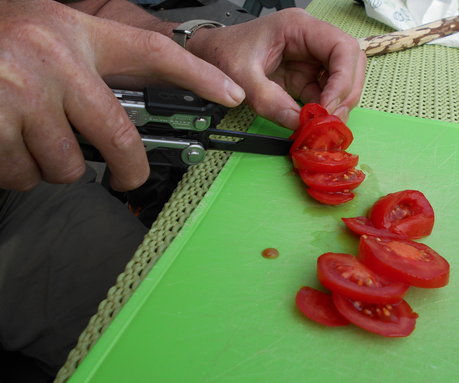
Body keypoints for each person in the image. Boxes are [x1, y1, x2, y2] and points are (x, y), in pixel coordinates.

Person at [0, 0, 366, 381]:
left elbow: (88, 7)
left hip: (24, 194)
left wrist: (198, 45)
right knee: (165, 355)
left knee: (192, 316)